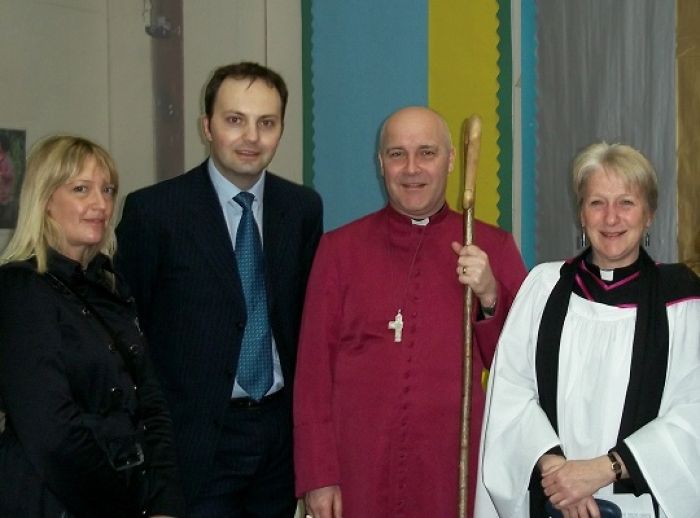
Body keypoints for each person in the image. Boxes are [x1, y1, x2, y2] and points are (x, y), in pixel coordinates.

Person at [293, 106, 527, 517]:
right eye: (397, 154)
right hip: (358, 473)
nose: (412, 168)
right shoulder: (339, 251)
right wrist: (318, 476)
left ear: (451, 160)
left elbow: (521, 372)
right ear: (380, 163)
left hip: (453, 474)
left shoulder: (493, 246)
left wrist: (490, 295)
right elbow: (313, 376)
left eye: (427, 153)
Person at [115, 62, 323, 517]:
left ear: (281, 130)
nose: (251, 137)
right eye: (235, 120)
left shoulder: (302, 209)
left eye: (266, 123)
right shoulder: (155, 212)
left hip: (277, 441)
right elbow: (129, 336)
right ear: (206, 126)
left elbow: (307, 324)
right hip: (195, 444)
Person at [474, 142, 700, 518]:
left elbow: (693, 410)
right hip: (553, 497)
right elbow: (510, 392)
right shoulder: (544, 288)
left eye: (626, 202)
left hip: (642, 504)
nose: (611, 218)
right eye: (597, 203)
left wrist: (602, 470)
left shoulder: (682, 300)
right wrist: (558, 475)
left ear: (650, 215)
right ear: (581, 214)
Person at [0, 135, 185, 517]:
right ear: (46, 200)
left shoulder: (111, 287)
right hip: (54, 501)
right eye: (81, 189)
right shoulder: (21, 289)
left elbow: (151, 404)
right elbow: (51, 433)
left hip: (134, 496)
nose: (100, 204)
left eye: (108, 189)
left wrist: (165, 501)